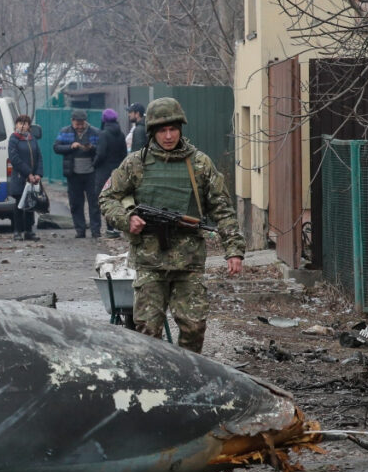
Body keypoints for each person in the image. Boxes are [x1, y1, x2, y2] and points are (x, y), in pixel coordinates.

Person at [99, 97, 245, 354]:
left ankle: (187, 378)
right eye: (162, 130)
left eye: (173, 129)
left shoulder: (199, 164)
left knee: (194, 327)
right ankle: (154, 384)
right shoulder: (136, 163)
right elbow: (107, 197)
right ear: (153, 132)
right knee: (147, 332)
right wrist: (126, 219)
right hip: (149, 262)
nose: (168, 136)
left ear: (181, 129)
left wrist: (233, 250)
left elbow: (223, 209)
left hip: (188, 264)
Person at [54, 108, 102, 238]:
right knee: (75, 203)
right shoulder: (65, 132)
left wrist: (92, 148)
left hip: (91, 173)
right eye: (77, 124)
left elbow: (102, 149)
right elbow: (56, 147)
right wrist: (71, 146)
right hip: (73, 173)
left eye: (82, 124)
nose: (80, 127)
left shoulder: (95, 132)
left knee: (94, 203)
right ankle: (80, 230)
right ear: (72, 121)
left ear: (86, 122)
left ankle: (95, 230)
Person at [8, 114, 43, 241]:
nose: (22, 126)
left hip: (33, 178)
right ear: (16, 124)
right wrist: (28, 173)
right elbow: (14, 159)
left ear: (29, 126)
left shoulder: (32, 138)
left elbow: (39, 156)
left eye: (25, 123)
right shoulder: (13, 139)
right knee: (19, 205)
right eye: (20, 123)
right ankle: (17, 231)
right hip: (20, 177)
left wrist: (38, 174)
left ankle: (29, 231)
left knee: (30, 204)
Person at [93, 108, 127, 238]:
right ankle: (117, 227)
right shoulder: (121, 134)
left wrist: (94, 164)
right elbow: (124, 153)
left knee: (104, 198)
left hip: (104, 171)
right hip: (117, 170)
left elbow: (100, 153)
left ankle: (109, 228)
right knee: (116, 198)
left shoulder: (104, 134)